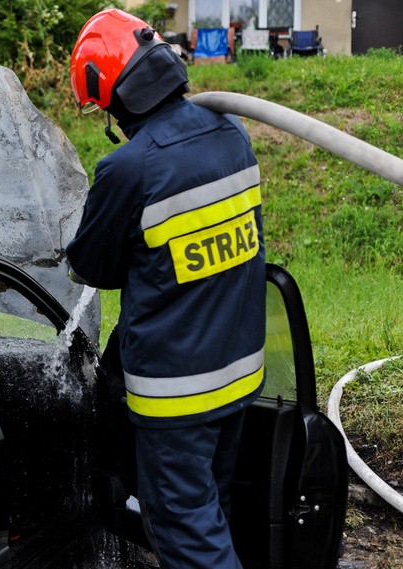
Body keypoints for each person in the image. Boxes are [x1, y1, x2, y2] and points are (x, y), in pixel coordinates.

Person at [65, 9, 266, 569]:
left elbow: (91, 267)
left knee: (184, 529)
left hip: (178, 395)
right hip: (240, 375)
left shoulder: (129, 167)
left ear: (112, 95)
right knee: (211, 508)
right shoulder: (233, 134)